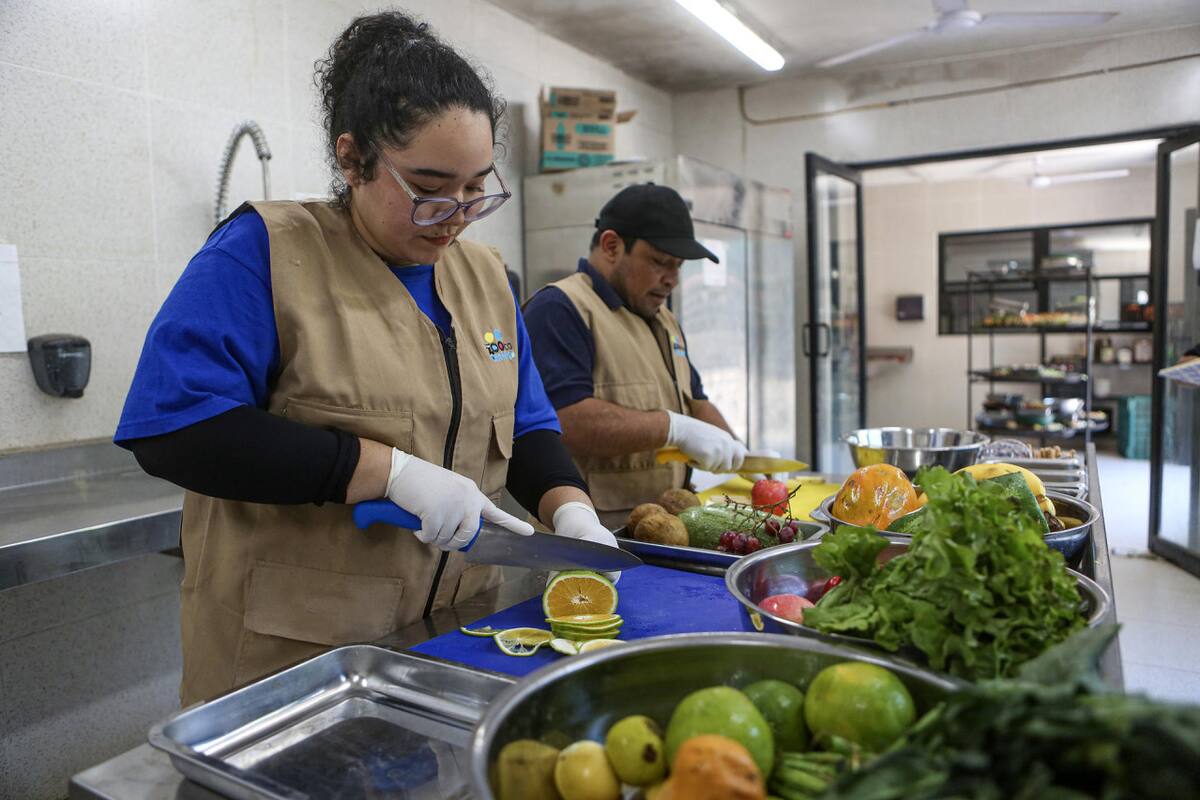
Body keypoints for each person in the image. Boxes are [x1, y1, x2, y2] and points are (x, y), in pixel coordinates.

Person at [114, 12, 618, 706]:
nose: (458, 212)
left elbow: (527, 428)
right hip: (294, 661)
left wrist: (571, 514)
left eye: (477, 187)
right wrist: (386, 472)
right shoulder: (266, 254)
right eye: (430, 186)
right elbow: (174, 430)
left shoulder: (488, 282)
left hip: (454, 639)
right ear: (353, 160)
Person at [523, 184, 747, 523]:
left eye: (679, 266)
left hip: (665, 527)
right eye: (660, 262)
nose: (672, 279)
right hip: (597, 535)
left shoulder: (663, 318)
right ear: (612, 246)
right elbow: (562, 421)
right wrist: (673, 429)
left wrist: (741, 453)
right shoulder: (560, 309)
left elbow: (695, 400)